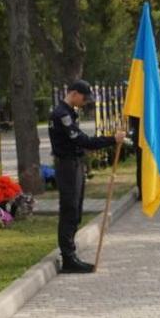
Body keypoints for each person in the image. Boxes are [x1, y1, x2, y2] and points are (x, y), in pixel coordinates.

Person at [47, 80, 125, 274]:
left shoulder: (69, 112)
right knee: (70, 210)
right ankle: (68, 258)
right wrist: (111, 140)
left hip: (74, 164)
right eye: (83, 98)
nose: (84, 102)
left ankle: (71, 254)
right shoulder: (61, 114)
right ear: (73, 93)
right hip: (66, 165)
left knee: (76, 211)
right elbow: (83, 141)